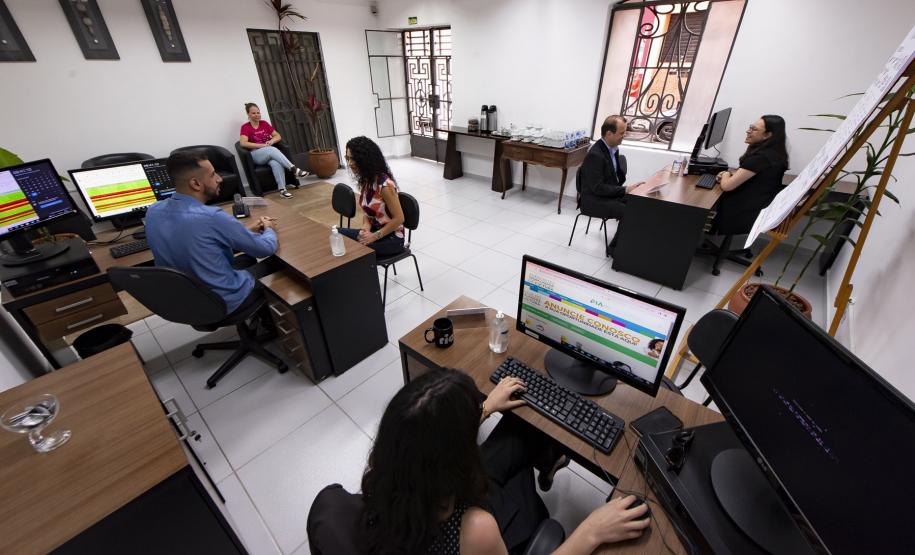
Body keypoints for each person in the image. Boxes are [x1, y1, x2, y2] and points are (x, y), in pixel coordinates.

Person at [309, 368, 650, 554]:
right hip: (471, 535)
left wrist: (486, 408)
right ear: (458, 458)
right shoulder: (476, 530)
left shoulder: (387, 474)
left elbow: (428, 437)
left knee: (518, 425)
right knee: (519, 465)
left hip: (430, 516)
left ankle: (546, 460)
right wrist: (590, 532)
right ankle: (543, 469)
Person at [146, 150, 279, 315]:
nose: (220, 179)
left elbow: (201, 243)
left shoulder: (153, 211)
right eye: (213, 174)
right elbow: (265, 248)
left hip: (188, 302)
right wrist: (268, 229)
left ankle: (260, 322)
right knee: (279, 265)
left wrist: (243, 231)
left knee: (246, 259)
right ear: (196, 184)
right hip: (224, 302)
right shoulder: (211, 216)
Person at [712, 115, 789, 234]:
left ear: (767, 135)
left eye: (754, 129)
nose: (748, 131)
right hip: (760, 205)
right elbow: (747, 173)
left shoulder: (761, 158)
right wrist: (730, 175)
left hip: (747, 211)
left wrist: (726, 173)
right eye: (750, 127)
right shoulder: (774, 153)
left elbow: (727, 186)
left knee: (704, 200)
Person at [579, 115, 641, 256]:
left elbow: (614, 179)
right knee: (627, 212)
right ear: (609, 133)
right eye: (621, 133)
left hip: (605, 195)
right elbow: (598, 188)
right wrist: (625, 190)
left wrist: (630, 190)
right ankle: (615, 250)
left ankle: (632, 243)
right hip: (592, 200)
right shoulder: (595, 155)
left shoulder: (613, 148)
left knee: (639, 203)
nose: (623, 136)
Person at [339, 136, 407, 257]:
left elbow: (399, 219)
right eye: (348, 158)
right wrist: (366, 227)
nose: (349, 163)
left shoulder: (385, 186)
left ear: (365, 159)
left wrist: (373, 237)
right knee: (337, 234)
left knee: (354, 250)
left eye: (353, 159)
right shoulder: (367, 181)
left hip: (392, 238)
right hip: (375, 231)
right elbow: (369, 213)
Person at [239, 102, 309, 199]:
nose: (257, 115)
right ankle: (294, 169)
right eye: (253, 113)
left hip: (268, 151)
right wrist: (261, 146)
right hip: (255, 154)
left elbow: (278, 136)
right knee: (271, 150)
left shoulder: (264, 124)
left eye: (258, 112)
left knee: (276, 163)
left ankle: (282, 190)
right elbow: (243, 143)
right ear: (248, 114)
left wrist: (271, 141)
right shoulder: (245, 127)